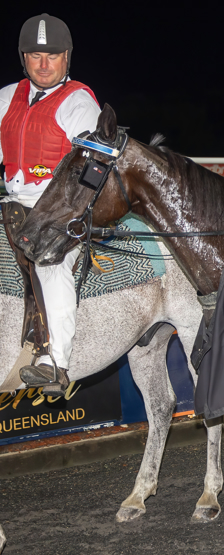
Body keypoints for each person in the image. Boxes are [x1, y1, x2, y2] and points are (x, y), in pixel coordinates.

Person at [0, 14, 101, 395]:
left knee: (51, 265)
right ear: (23, 57)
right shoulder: (6, 98)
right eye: (35, 56)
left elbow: (94, 170)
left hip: (62, 207)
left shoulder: (78, 101)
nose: (44, 65)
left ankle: (56, 362)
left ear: (66, 57)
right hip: (14, 202)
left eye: (52, 56)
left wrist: (66, 215)